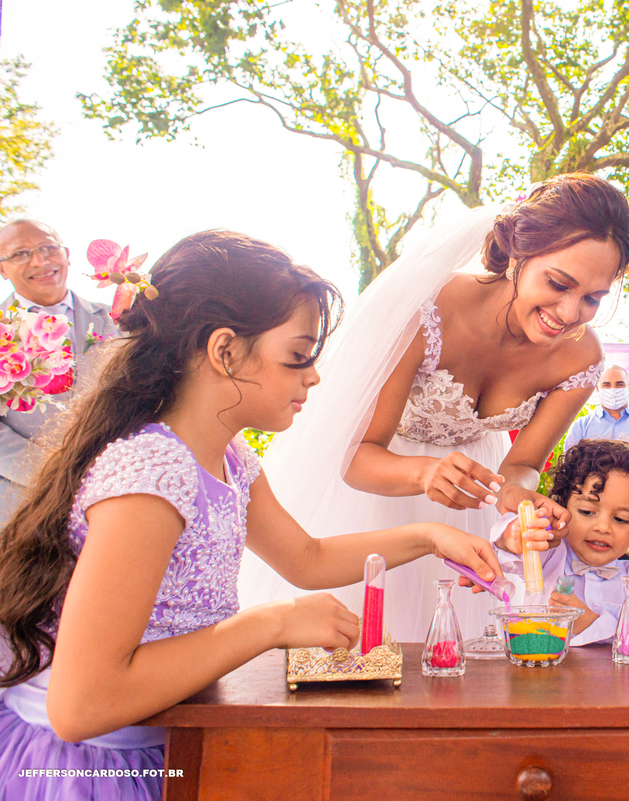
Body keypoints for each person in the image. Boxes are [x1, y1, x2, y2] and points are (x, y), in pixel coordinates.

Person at [0, 230, 503, 801]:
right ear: (225, 352)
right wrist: (271, 624)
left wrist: (430, 536)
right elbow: (82, 705)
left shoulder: (230, 459)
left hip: (172, 738)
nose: (313, 377)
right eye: (297, 356)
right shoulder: (150, 474)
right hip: (91, 768)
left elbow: (307, 558)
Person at [238, 174, 629, 642]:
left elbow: (523, 465)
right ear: (519, 255)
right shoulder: (428, 310)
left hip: (473, 510)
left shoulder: (582, 357)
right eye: (558, 283)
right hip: (373, 499)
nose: (570, 313)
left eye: (591, 298)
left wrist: (517, 496)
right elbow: (355, 457)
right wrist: (425, 474)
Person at [490, 438, 629, 646]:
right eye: (587, 512)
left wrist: (593, 623)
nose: (603, 527)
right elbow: (507, 554)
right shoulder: (548, 555)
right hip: (543, 675)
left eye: (620, 519)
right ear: (562, 508)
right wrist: (515, 535)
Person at [0, 220, 119, 523]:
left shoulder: (113, 319)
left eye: (48, 248)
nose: (40, 261)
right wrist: (56, 472)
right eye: (20, 254)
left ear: (66, 254)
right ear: (2, 269)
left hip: (116, 491)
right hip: (27, 505)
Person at [563, 364, 629, 473]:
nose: (613, 390)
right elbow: (570, 468)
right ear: (598, 389)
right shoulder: (580, 427)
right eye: (607, 385)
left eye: (619, 385)